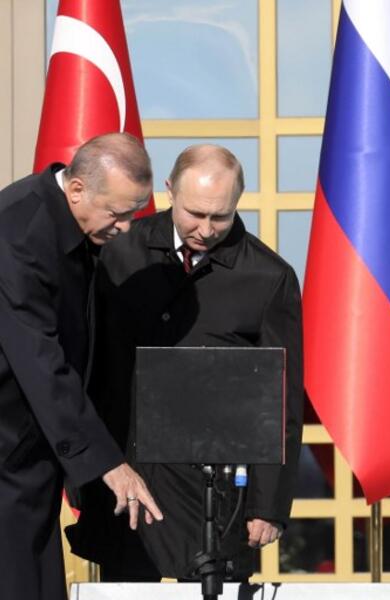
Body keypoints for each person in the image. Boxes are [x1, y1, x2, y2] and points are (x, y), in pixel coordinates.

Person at [66, 144, 304, 581]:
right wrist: (83, 469)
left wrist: (267, 506)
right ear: (170, 190)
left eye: (221, 216)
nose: (207, 229)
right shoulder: (118, 251)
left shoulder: (269, 277)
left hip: (214, 494)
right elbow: (86, 365)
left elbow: (281, 402)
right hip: (125, 479)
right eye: (195, 213)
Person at [0, 132, 164, 600]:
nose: (127, 228)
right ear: (76, 191)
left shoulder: (74, 222)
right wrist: (108, 463)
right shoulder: (18, 231)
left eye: (133, 213)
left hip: (32, 451)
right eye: (118, 213)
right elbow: (40, 360)